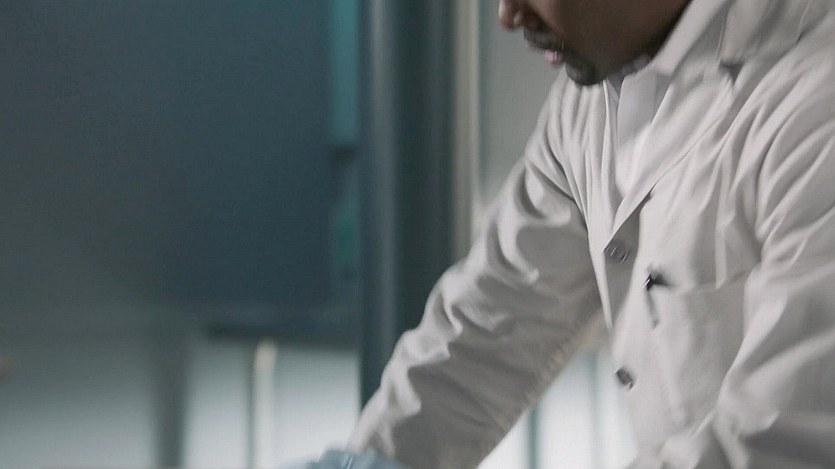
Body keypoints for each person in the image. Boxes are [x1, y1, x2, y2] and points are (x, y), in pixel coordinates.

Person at [295, 0, 835, 467]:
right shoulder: (592, 97)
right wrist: (372, 460)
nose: (509, 15)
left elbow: (779, 444)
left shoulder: (814, 99)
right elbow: (492, 322)